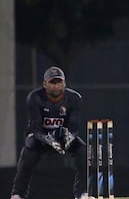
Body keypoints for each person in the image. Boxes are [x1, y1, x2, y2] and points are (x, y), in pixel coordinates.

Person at [10, 66, 88, 199]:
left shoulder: (74, 98)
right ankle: (18, 194)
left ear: (64, 83)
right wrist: (48, 139)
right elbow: (36, 127)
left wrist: (67, 138)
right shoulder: (35, 98)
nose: (56, 86)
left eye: (59, 82)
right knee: (28, 152)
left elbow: (74, 127)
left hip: (62, 136)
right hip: (40, 137)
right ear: (45, 84)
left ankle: (82, 193)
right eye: (52, 82)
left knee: (83, 150)